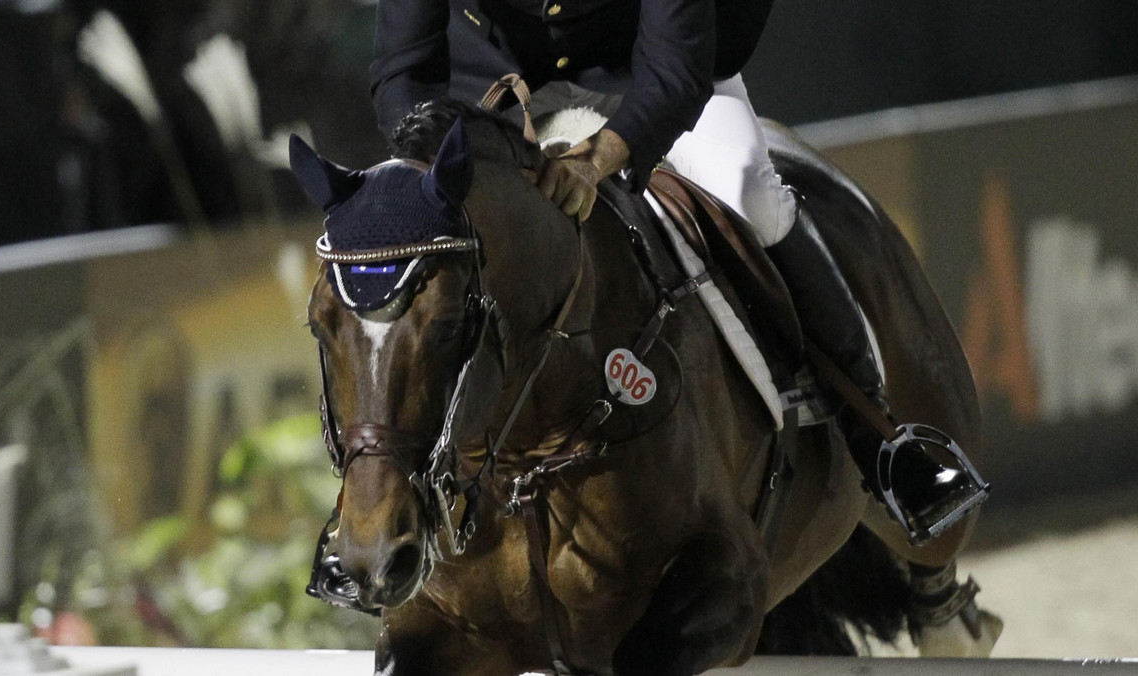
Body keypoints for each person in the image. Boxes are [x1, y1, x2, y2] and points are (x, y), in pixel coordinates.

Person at [368, 0, 982, 542]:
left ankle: (877, 438)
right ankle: (382, 494)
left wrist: (595, 160)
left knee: (747, 189)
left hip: (648, 79)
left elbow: (675, 71)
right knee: (413, 244)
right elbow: (403, 69)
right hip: (491, 100)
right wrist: (430, 156)